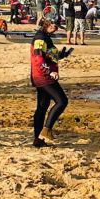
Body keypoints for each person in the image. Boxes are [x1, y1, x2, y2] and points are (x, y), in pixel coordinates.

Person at [31, 18, 71, 147]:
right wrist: (49, 72)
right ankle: (46, 130)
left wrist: (61, 55)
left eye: (58, 26)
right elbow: (38, 57)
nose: (56, 28)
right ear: (47, 24)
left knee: (42, 107)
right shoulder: (40, 38)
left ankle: (38, 140)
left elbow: (48, 55)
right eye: (55, 25)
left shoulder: (46, 36)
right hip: (43, 76)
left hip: (41, 76)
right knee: (62, 101)